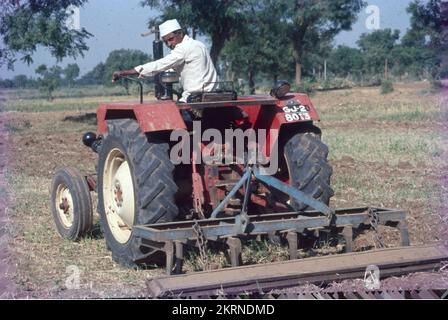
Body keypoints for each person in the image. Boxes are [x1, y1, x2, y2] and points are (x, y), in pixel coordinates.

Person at [112, 19, 217, 103]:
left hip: (195, 98)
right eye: (165, 42)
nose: (169, 44)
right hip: (213, 95)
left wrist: (125, 72)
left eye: (171, 39)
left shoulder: (183, 48)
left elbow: (159, 65)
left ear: (180, 34)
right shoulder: (199, 44)